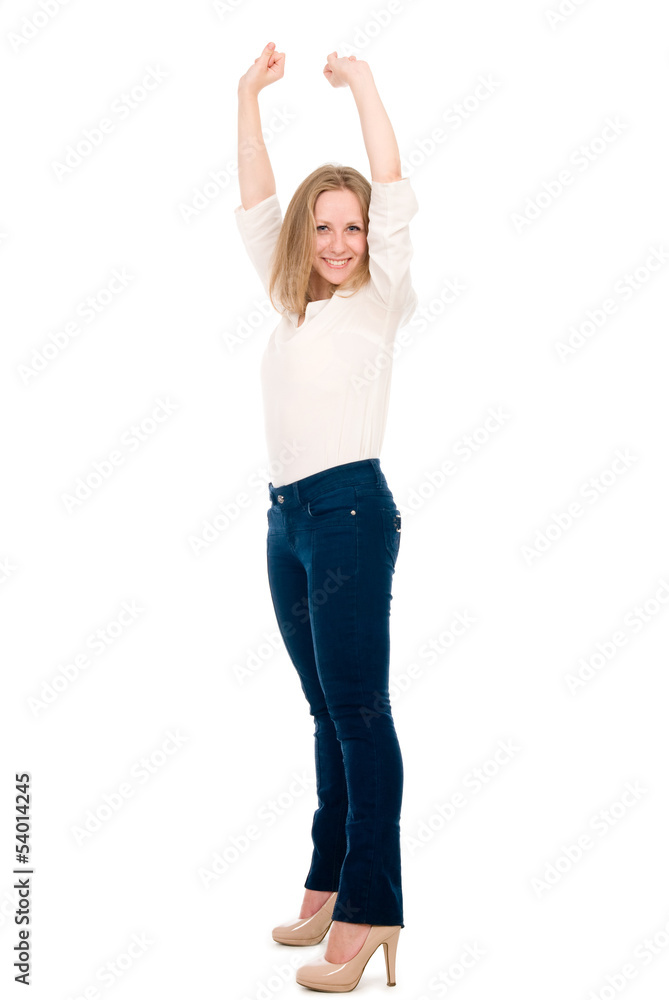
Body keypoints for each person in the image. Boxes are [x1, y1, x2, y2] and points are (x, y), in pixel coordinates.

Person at [235, 42, 419, 992]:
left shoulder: (379, 300)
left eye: (353, 227)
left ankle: (371, 904)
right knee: (325, 710)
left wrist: (364, 87)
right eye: (324, 228)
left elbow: (391, 186)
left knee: (358, 710)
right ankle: (329, 879)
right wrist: (248, 98)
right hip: (287, 521)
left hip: (348, 511)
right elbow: (256, 202)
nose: (341, 242)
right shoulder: (291, 309)